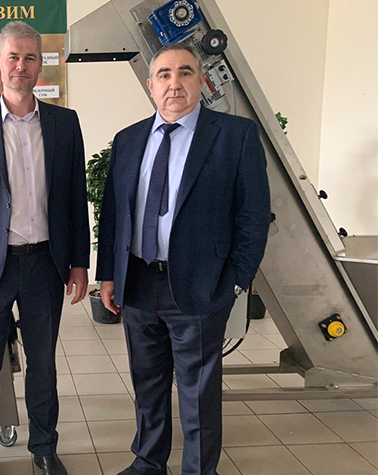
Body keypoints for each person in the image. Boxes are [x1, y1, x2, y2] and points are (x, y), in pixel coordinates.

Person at [96, 43, 270, 475]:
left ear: (201, 80)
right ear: (151, 85)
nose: (175, 83)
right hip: (139, 282)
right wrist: (108, 275)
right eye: (165, 74)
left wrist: (235, 281)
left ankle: (199, 469)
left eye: (186, 72)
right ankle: (148, 461)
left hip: (200, 284)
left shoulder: (234, 136)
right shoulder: (128, 139)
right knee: (147, 382)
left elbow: (253, 216)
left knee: (198, 392)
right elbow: (113, 213)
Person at [0, 21, 90, 475]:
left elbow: (75, 196)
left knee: (43, 365)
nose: (21, 66)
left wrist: (80, 262)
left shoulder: (64, 124)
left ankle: (44, 447)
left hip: (46, 263)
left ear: (41, 63)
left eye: (30, 57)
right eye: (13, 57)